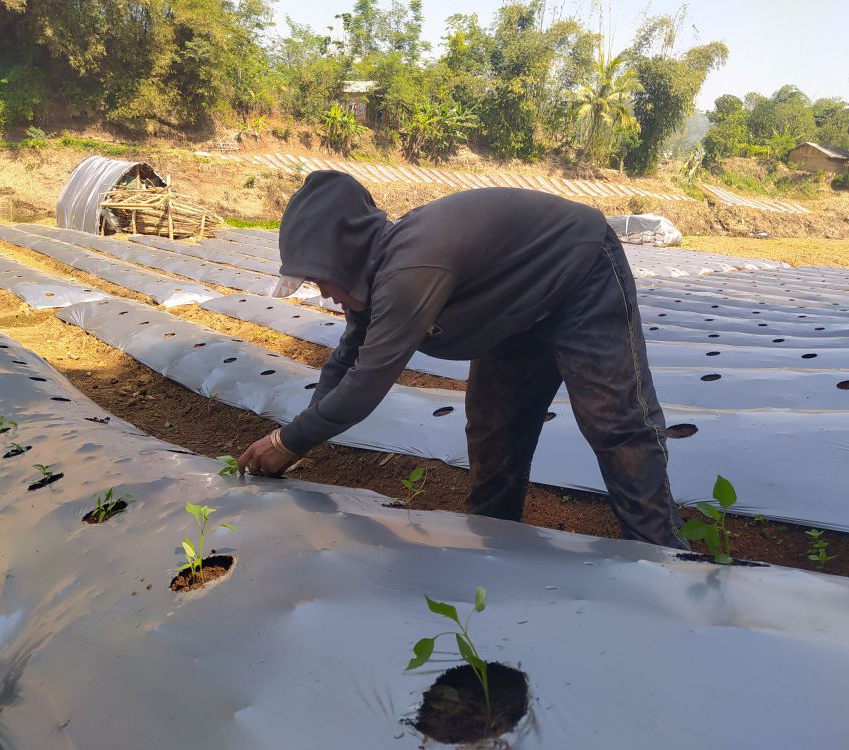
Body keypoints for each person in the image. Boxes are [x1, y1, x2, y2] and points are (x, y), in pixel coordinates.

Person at [236, 170, 688, 549]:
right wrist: (294, 431)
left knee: (616, 426)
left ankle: (663, 562)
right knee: (494, 430)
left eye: (319, 279)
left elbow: (366, 384)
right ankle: (494, 547)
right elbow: (345, 363)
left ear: (342, 257)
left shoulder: (411, 268)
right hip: (513, 312)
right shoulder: (372, 282)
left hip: (579, 275)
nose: (322, 293)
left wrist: (286, 444)